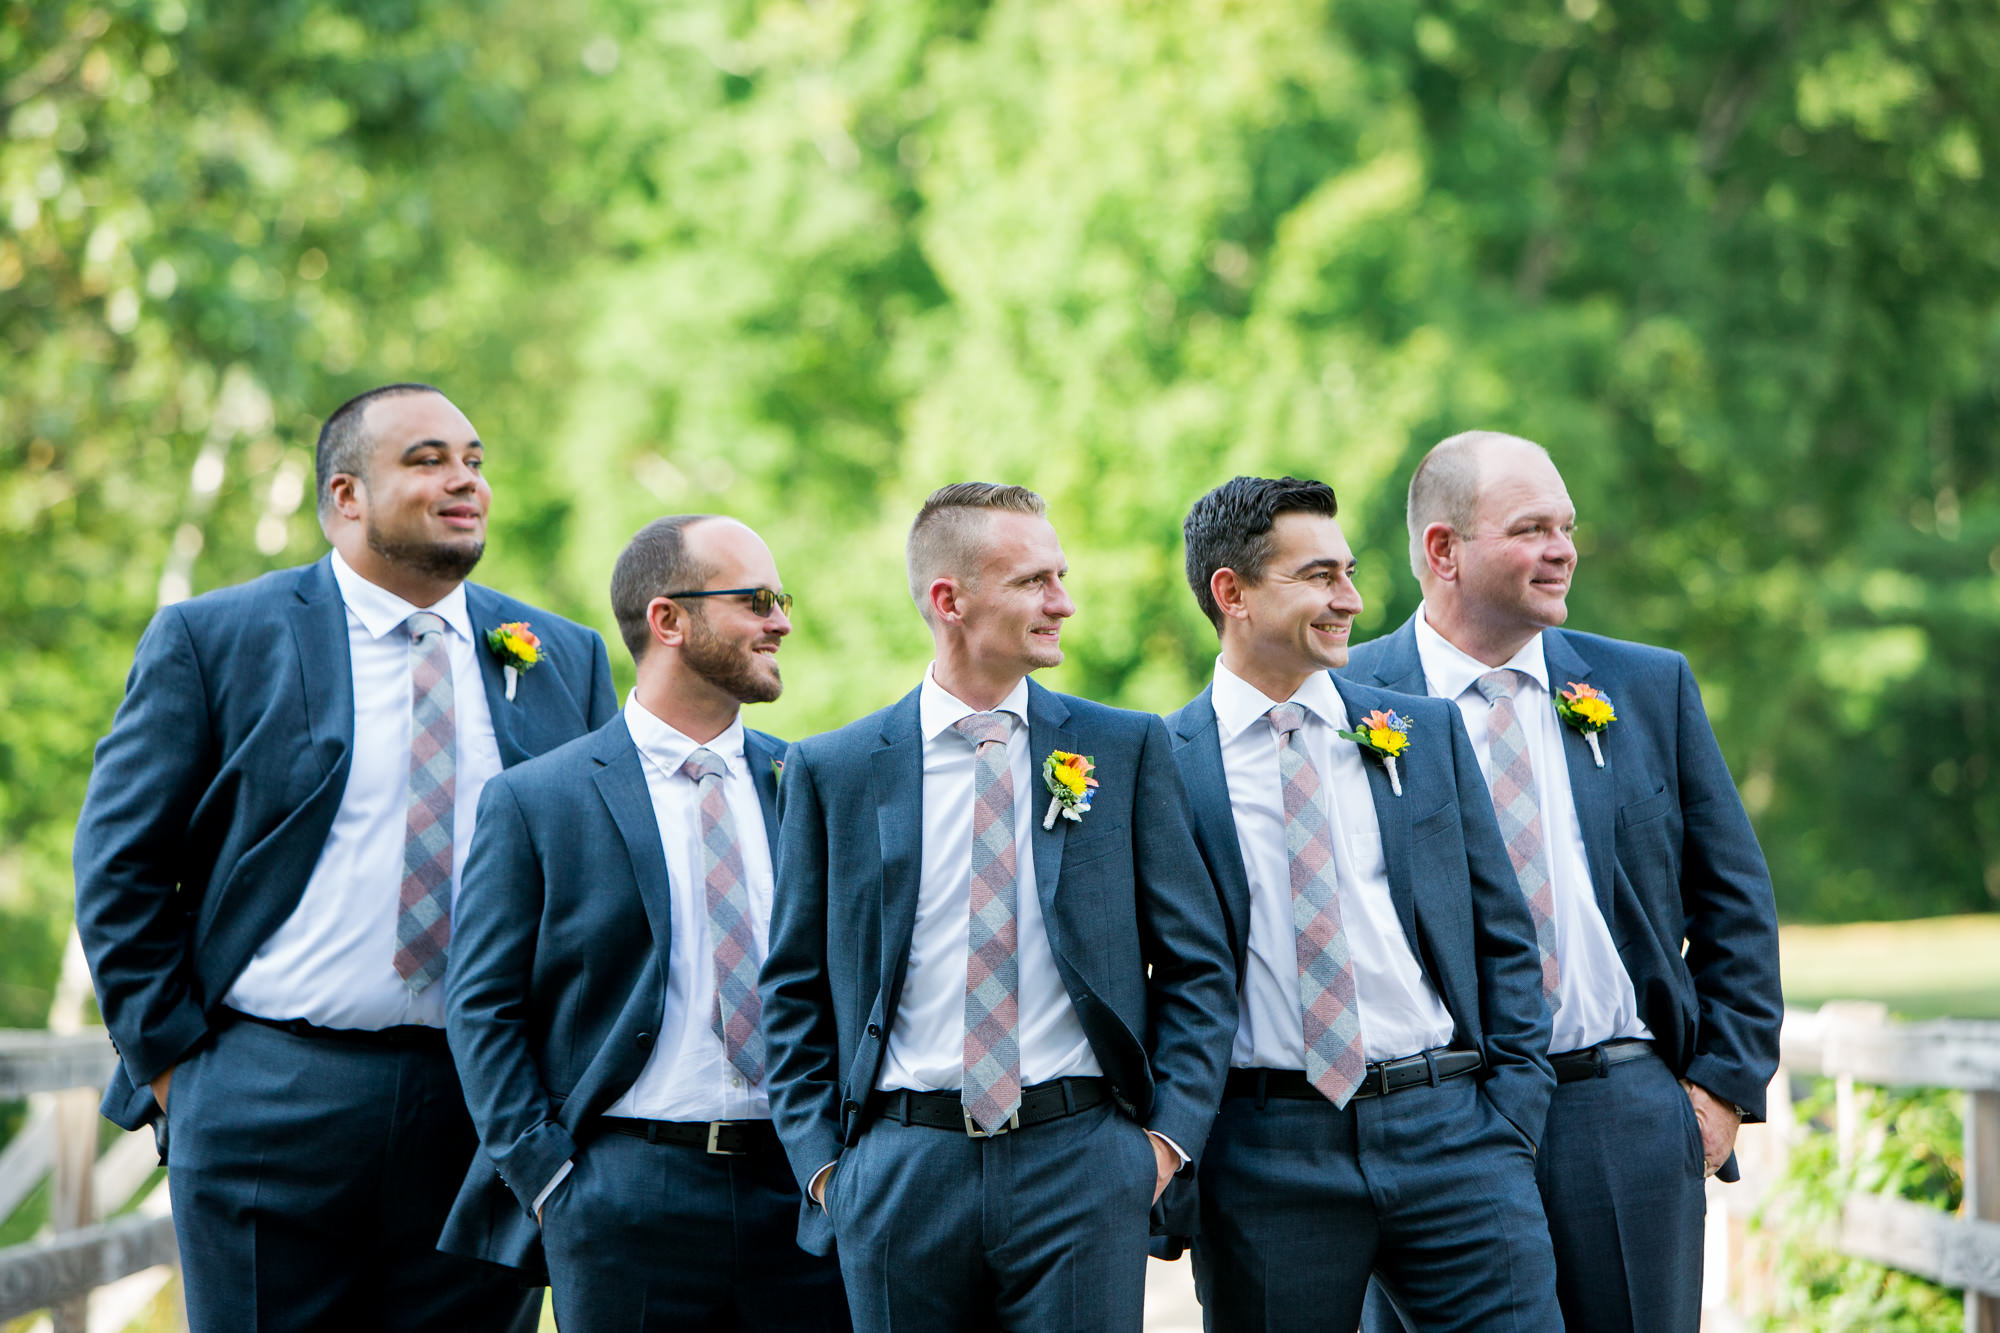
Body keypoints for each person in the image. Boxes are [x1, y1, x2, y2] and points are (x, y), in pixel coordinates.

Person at [72, 383, 616, 1332]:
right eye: (427, 460)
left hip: (485, 1112)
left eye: (474, 461)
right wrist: (178, 1073)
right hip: (267, 1093)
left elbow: (602, 884)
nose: (465, 481)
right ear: (346, 495)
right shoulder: (217, 638)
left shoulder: (560, 657)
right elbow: (120, 863)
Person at [759, 482, 1236, 1333]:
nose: (1064, 602)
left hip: (1082, 1164)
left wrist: (1160, 1147)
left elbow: (1197, 965)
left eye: (1061, 576)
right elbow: (792, 988)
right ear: (951, 601)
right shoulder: (834, 771)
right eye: (1033, 582)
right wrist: (829, 1171)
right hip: (899, 1172)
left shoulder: (1124, 747)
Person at [1347, 431, 1782, 1333]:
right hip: (1436, 1121)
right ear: (1443, 550)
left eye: (1567, 526)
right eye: (1531, 529)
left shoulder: (1646, 685)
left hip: (1621, 1117)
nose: (1562, 550)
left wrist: (1719, 1093)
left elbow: (1735, 897)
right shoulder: (1345, 700)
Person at [1166, 475, 1562, 1333]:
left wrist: (1510, 1118)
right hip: (1266, 1156)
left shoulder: (1421, 730)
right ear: (1232, 592)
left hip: (1454, 1136)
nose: (1349, 598)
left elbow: (1503, 934)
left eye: (1347, 572)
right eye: (1319, 576)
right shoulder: (1161, 764)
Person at [441, 514, 848, 1331]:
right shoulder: (537, 799)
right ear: (668, 619)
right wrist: (551, 1180)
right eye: (756, 600)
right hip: (620, 1201)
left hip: (804, 1196)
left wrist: (842, 1169)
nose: (781, 622)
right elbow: (481, 1006)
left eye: (783, 600)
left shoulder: (809, 782)